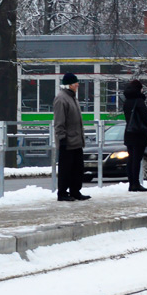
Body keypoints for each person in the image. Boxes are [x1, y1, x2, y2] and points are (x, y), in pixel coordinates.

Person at [53, 72, 89, 202]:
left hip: (76, 140)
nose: (77, 85)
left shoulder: (73, 98)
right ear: (69, 85)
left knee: (77, 168)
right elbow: (59, 122)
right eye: (75, 83)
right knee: (65, 168)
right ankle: (62, 192)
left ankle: (75, 191)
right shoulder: (61, 99)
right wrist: (62, 138)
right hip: (67, 141)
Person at [121, 79, 147, 192]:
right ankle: (136, 184)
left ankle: (131, 183)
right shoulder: (139, 101)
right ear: (139, 89)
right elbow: (145, 118)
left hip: (129, 133)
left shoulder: (126, 101)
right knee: (137, 159)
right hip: (139, 134)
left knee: (131, 158)